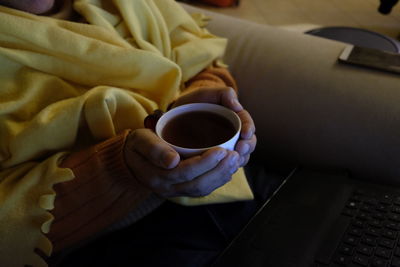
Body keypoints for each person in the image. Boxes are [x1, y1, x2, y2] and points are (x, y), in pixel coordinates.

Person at [2, 0, 400, 267]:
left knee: (370, 224)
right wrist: (120, 169)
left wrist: (205, 88)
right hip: (127, 240)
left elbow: (197, 54)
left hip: (241, 182)